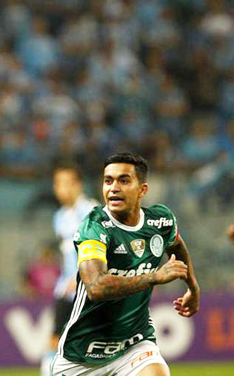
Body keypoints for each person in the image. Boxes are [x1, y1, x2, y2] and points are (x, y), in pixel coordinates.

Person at [51, 153, 200, 376]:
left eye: (124, 180)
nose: (113, 188)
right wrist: (154, 277)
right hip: (81, 356)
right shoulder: (94, 226)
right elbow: (96, 287)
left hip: (134, 344)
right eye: (108, 180)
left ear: (143, 189)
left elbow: (177, 245)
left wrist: (193, 288)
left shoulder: (160, 221)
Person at [41, 165, 97, 376]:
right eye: (57, 184)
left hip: (88, 289)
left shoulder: (91, 212)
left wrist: (81, 276)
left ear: (78, 185)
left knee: (90, 343)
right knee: (55, 339)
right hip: (66, 289)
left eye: (65, 183)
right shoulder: (60, 216)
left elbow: (102, 249)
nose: (60, 189)